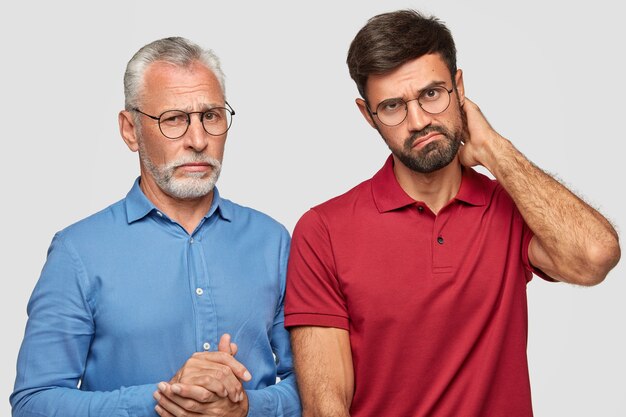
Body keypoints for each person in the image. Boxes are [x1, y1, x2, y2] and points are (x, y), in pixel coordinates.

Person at [284, 9, 620, 417]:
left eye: (432, 94)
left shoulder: (509, 207)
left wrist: (495, 150)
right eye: (392, 106)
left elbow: (595, 257)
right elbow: (325, 405)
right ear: (367, 115)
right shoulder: (324, 230)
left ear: (459, 87)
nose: (419, 120)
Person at [10, 37, 300, 417]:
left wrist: (246, 408)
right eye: (174, 119)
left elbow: (315, 383)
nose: (198, 140)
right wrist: (164, 400)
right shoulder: (78, 252)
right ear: (130, 130)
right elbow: (34, 402)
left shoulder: (272, 241)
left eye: (211, 116)